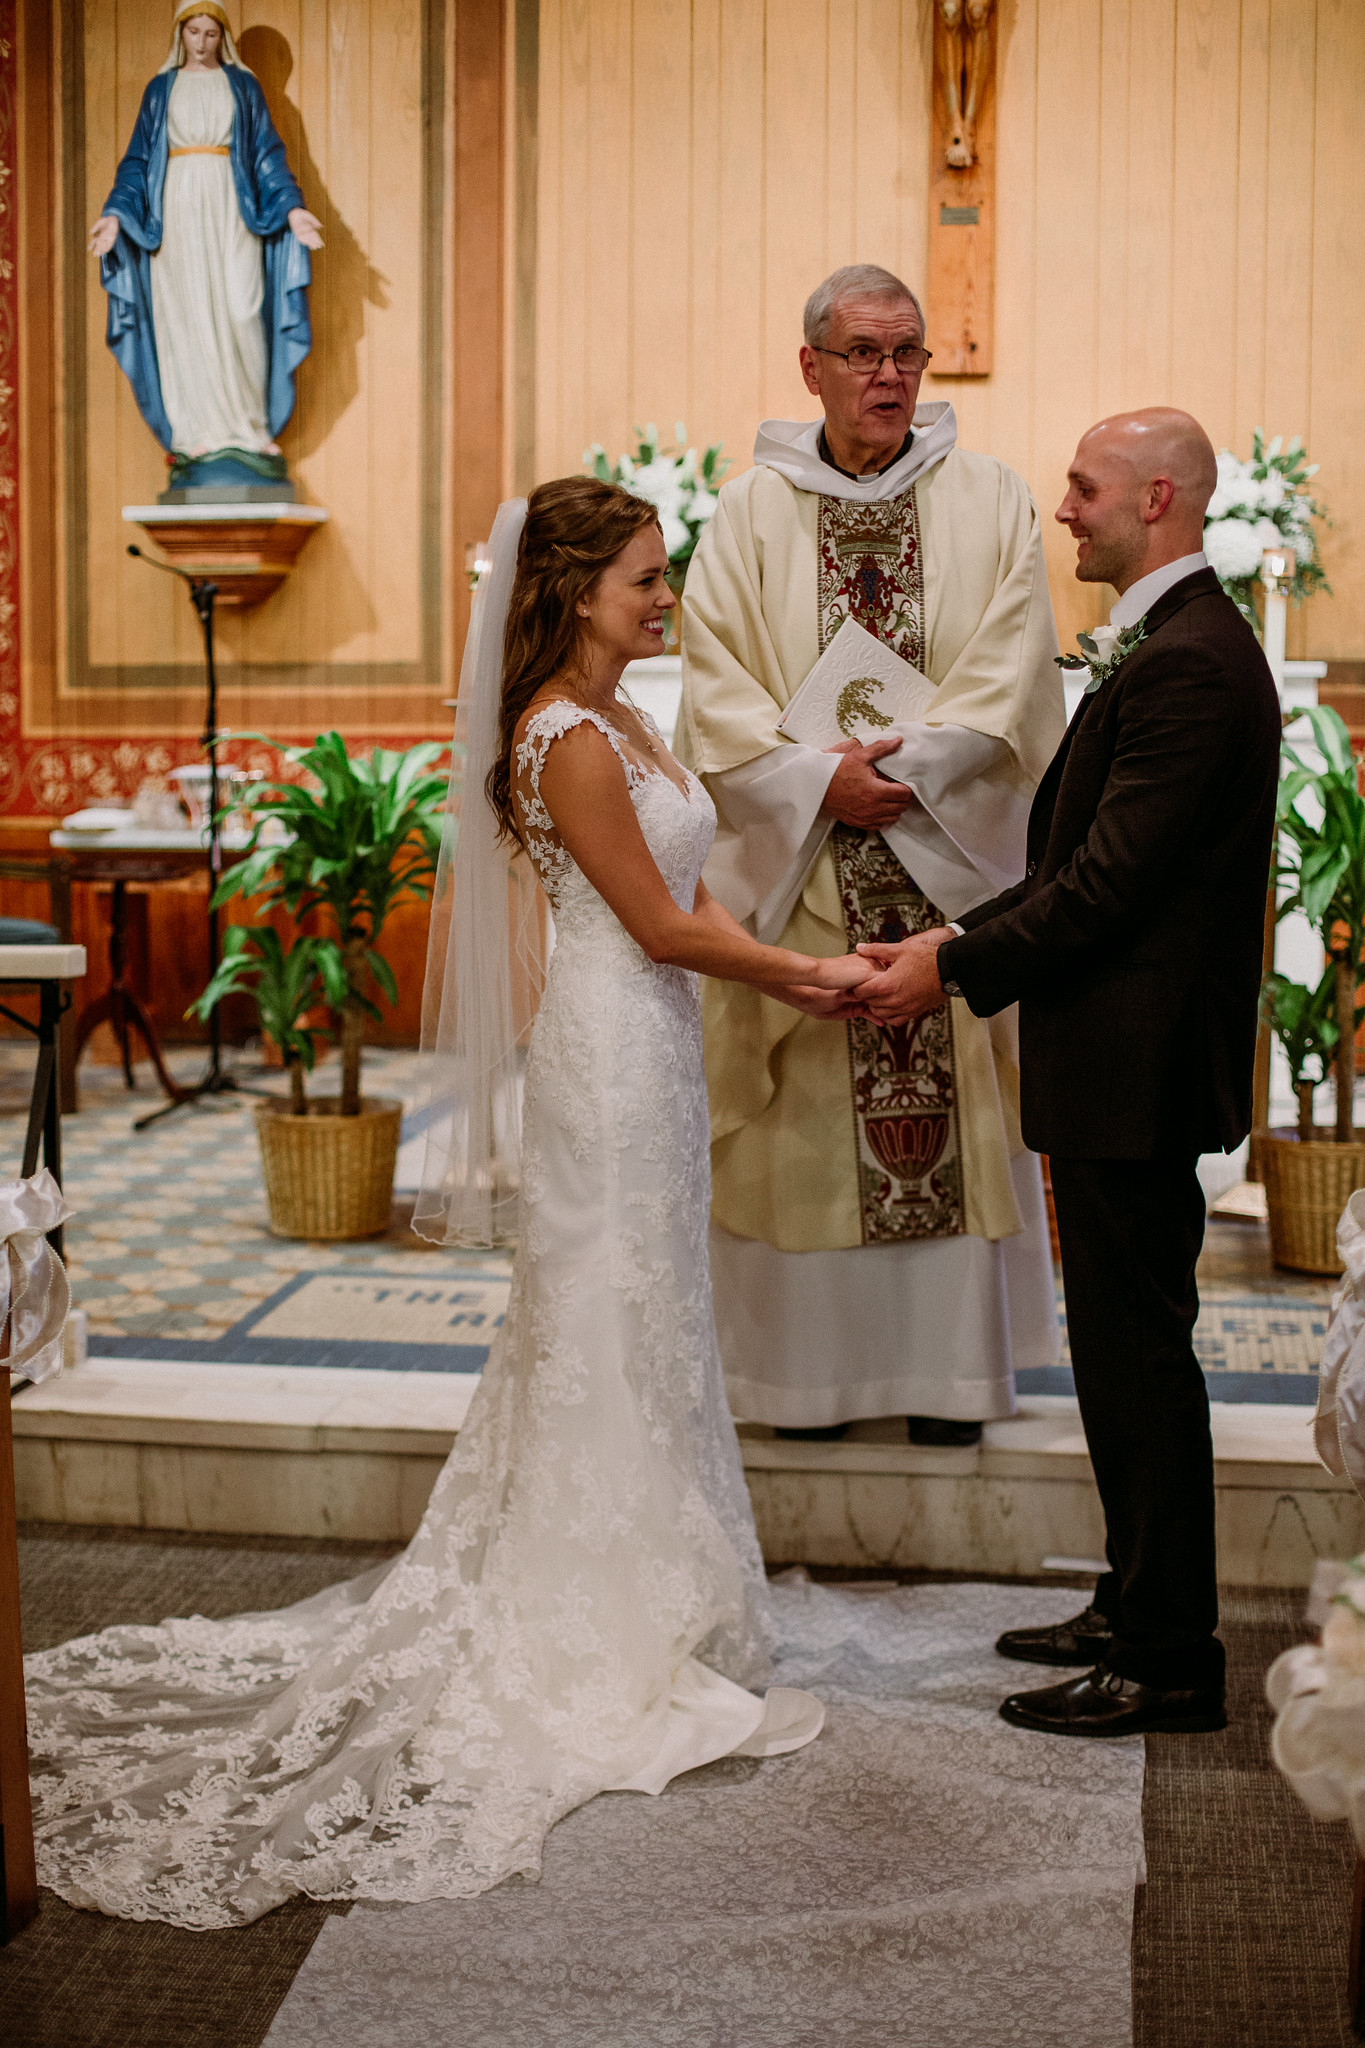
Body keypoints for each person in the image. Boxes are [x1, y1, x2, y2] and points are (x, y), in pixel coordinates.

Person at [24, 478, 876, 1928]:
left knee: (650, 1319)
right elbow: (659, 925)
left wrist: (790, 960)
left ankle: (661, 1588)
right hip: (606, 1056)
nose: (663, 599)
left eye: (662, 576)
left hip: (657, 1051)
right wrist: (807, 978)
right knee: (602, 1320)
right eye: (642, 581)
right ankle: (591, 1618)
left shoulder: (634, 717)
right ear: (572, 589)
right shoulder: (561, 739)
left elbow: (701, 898)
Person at [852, 408, 1281, 1735]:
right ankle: (1131, 1596)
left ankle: (1167, 1657)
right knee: (1114, 1349)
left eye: (1086, 490)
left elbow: (1104, 886)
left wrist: (950, 966)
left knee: (1140, 1356)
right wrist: (955, 935)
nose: (1065, 510)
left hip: (1136, 1069)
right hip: (1115, 1060)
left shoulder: (1193, 663)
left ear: (1157, 499)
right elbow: (1083, 868)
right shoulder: (1165, 644)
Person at [676, 263, 1064, 1445]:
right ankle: (809, 1384)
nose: (889, 375)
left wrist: (905, 777)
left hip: (940, 868)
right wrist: (815, 783)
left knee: (952, 1115)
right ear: (812, 368)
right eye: (863, 353)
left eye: (907, 353)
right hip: (805, 876)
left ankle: (946, 1383)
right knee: (801, 1118)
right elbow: (715, 687)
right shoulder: (747, 512)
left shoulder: (990, 496)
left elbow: (1014, 664)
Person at [87, 3, 323, 486]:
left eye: (211, 32)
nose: (201, 41)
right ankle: (195, 431)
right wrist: (114, 215)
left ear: (223, 36)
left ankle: (249, 427)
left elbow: (266, 157)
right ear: (181, 34)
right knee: (188, 318)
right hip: (176, 217)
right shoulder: (162, 89)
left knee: (242, 309)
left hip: (231, 209)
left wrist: (293, 209)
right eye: (192, 31)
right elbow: (136, 163)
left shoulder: (242, 86)